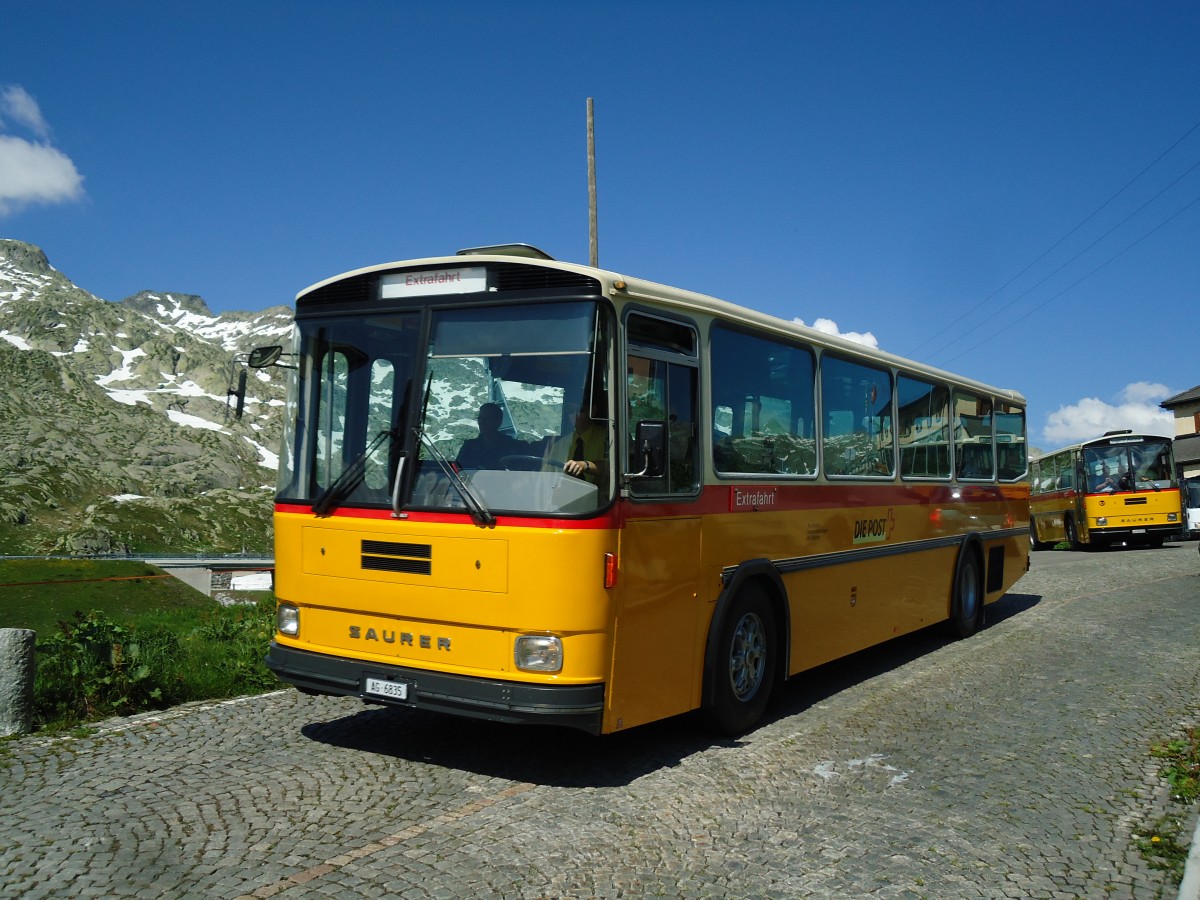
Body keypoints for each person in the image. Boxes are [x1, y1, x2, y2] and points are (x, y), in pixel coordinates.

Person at [547, 403, 608, 484]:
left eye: (580, 410)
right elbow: (546, 476)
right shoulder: (559, 445)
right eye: (571, 411)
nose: (576, 415)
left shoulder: (609, 438)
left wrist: (584, 465)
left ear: (592, 411)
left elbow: (614, 468)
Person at [456, 403, 524, 470]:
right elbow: (457, 469)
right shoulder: (469, 446)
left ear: (498, 421)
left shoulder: (513, 446)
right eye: (480, 418)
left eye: (487, 418)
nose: (482, 422)